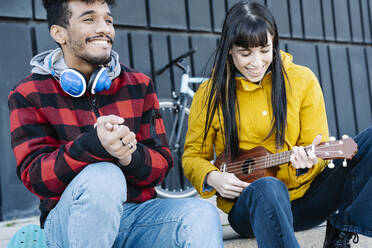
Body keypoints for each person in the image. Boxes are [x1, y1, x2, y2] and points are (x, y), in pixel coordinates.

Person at [8, 0, 223, 247]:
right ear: (59, 33)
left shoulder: (139, 84)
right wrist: (91, 146)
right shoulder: (28, 92)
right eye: (89, 19)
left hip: (136, 218)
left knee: (201, 214)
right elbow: (35, 176)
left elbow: (162, 164)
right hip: (68, 222)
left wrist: (129, 156)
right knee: (105, 176)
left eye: (108, 20)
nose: (104, 29)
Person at [182, 1, 372, 247]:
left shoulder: (302, 80)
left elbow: (317, 146)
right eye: (245, 53)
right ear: (229, 49)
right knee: (268, 187)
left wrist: (306, 165)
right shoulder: (209, 94)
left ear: (274, 44)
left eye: (264, 50)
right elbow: (192, 156)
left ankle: (341, 229)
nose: (257, 62)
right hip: (248, 209)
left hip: (305, 201)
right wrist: (212, 177)